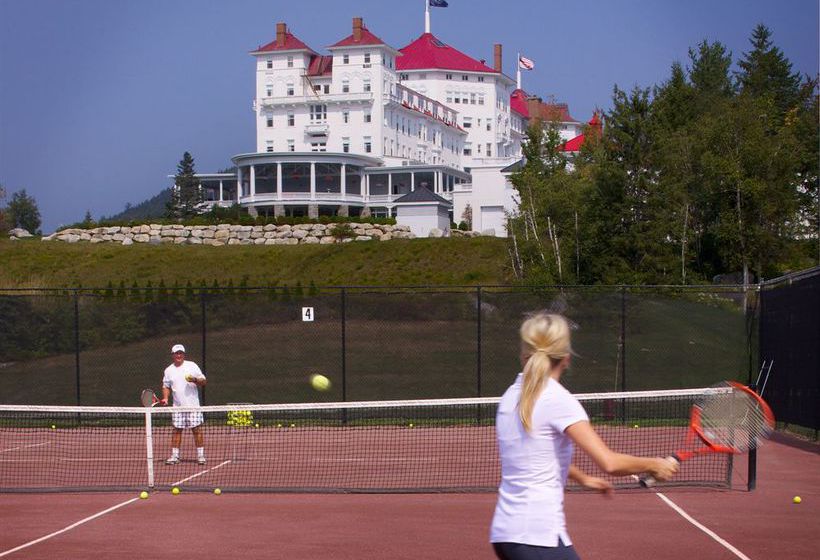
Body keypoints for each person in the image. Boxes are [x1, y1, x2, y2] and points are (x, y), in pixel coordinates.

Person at [490, 313, 678, 560]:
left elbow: (536, 456)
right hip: (537, 537)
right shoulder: (557, 399)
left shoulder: (510, 396)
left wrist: (583, 478)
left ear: (523, 354)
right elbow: (609, 463)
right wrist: (655, 464)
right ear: (566, 358)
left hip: (506, 535)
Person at [161, 343, 207, 465]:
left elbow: (204, 381)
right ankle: (175, 456)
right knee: (176, 430)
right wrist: (165, 398)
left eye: (181, 353)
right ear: (173, 355)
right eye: (176, 353)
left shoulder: (192, 366)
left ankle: (201, 456)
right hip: (177, 407)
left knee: (196, 430)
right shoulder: (168, 370)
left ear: (184, 354)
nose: (179, 355)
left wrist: (195, 380)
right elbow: (166, 386)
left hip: (193, 406)